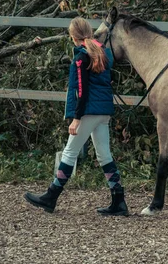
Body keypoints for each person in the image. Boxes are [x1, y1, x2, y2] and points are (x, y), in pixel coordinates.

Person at [24, 17, 129, 216]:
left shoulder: (82, 57)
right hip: (103, 112)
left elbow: (82, 90)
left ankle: (50, 197)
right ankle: (119, 201)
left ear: (73, 36)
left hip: (88, 112)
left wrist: (76, 118)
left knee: (69, 153)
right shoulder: (102, 52)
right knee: (104, 155)